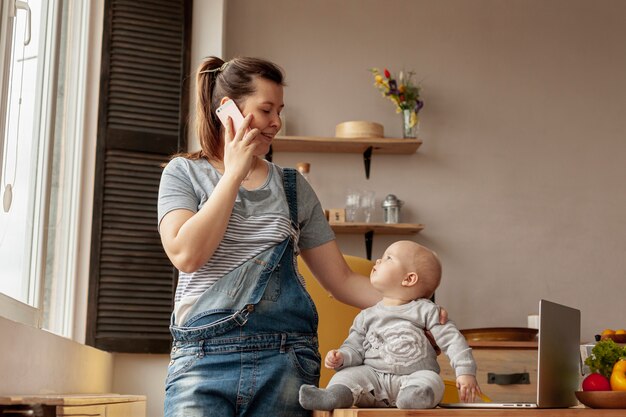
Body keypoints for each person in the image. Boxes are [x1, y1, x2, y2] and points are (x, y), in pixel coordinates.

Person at [157, 56, 448, 417]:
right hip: (201, 361)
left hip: (286, 361)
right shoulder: (183, 173)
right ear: (226, 110)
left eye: (280, 110)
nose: (276, 122)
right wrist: (233, 174)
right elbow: (187, 255)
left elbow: (340, 280)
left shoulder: (294, 188)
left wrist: (413, 311)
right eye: (266, 110)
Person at [299, 240, 480, 411]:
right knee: (347, 376)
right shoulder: (366, 316)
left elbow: (452, 340)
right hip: (373, 378)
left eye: (388, 258)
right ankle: (333, 396)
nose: (378, 260)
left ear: (408, 279)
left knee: (433, 381)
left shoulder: (427, 311)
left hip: (414, 376)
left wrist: (465, 372)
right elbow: (354, 348)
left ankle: (414, 398)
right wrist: (342, 357)